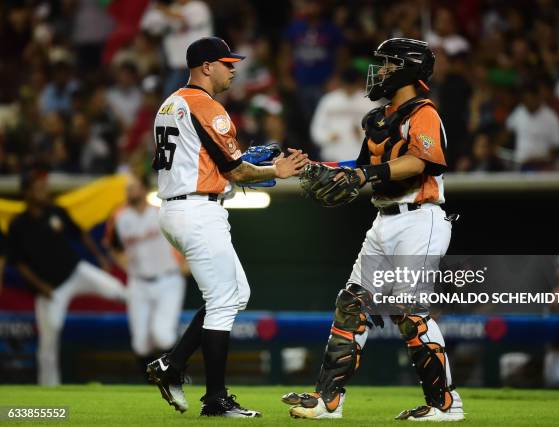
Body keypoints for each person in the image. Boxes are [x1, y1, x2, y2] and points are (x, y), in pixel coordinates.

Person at [282, 38, 464, 421]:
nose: (379, 72)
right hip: (384, 219)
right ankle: (328, 400)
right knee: (352, 304)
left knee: (411, 313)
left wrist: (365, 172)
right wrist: (318, 167)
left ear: (407, 69)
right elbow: (361, 165)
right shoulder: (379, 117)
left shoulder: (424, 112)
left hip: (421, 216)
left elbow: (423, 161)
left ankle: (445, 405)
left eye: (386, 64)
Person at [145, 37, 308, 418]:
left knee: (236, 294)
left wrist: (238, 164)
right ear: (206, 66)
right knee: (222, 300)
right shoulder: (207, 106)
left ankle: (171, 365)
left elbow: (200, 160)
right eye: (226, 63)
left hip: (179, 207)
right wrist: (276, 171)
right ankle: (215, 398)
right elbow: (236, 171)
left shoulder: (169, 103)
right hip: (198, 211)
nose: (233, 69)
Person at [5, 170, 126, 386]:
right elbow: (18, 264)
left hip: (75, 271)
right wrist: (41, 287)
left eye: (43, 187)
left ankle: (149, 314)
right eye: (37, 188)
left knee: (117, 289)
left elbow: (80, 234)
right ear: (27, 193)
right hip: (50, 289)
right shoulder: (18, 225)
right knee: (48, 344)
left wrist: (100, 259)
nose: (43, 191)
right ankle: (49, 390)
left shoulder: (56, 212)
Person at [105, 174, 187, 379]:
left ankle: (175, 375)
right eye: (128, 189)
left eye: (133, 187)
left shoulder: (160, 213)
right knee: (140, 344)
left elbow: (184, 239)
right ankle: (153, 383)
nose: (129, 192)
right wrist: (125, 264)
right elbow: (112, 246)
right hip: (138, 283)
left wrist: (187, 264)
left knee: (162, 335)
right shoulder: (119, 217)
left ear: (143, 189)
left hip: (168, 279)